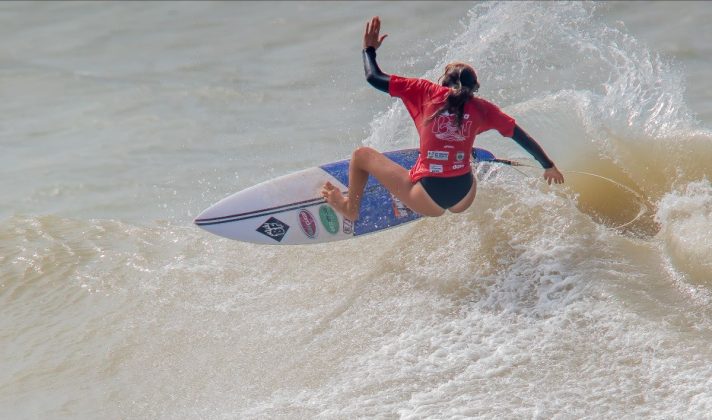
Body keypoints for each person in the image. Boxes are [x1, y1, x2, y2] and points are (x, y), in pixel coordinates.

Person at [321, 16, 564, 221]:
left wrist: (368, 50)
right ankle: (454, 162)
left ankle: (348, 208)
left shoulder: (424, 91)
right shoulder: (483, 109)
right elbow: (520, 136)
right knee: (463, 148)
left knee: (361, 155)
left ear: (443, 81)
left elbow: (373, 77)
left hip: (428, 199)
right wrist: (548, 166)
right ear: (472, 89)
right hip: (464, 197)